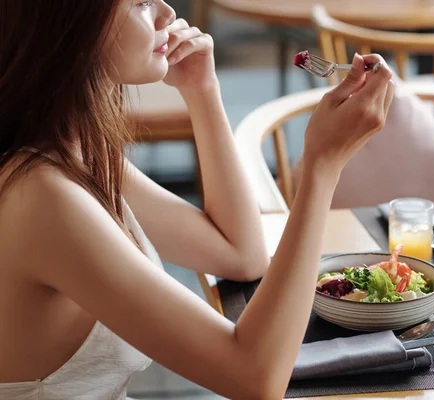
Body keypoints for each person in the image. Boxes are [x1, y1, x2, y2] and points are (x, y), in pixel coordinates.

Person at [0, 0, 394, 398]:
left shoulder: (78, 153)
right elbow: (255, 377)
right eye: (141, 2)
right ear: (72, 25)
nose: (167, 14)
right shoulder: (42, 197)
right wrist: (322, 167)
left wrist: (202, 90)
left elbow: (240, 255)